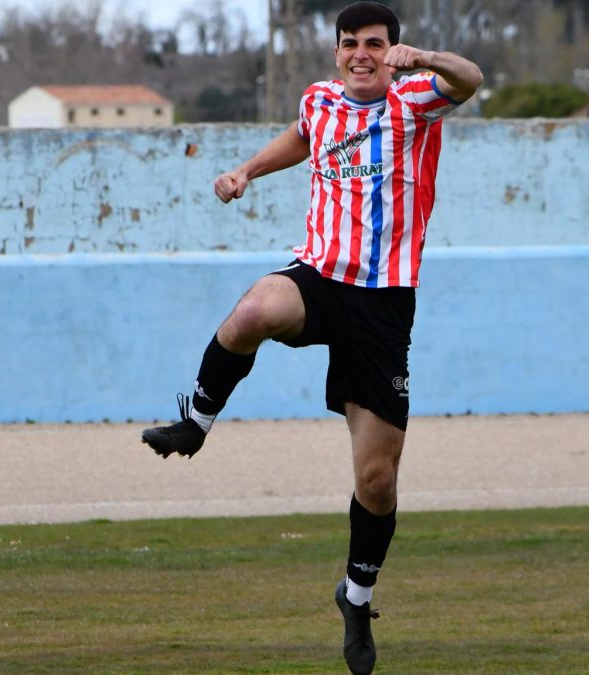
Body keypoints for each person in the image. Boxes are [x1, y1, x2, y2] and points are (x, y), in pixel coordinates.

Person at [140, 4, 482, 674]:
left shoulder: (415, 98)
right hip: (318, 277)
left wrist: (429, 58)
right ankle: (196, 422)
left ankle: (356, 597)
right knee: (252, 311)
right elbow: (303, 137)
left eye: (374, 44)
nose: (362, 54)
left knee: (377, 478)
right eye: (350, 44)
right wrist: (246, 171)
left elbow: (471, 79)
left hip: (382, 304)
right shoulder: (321, 100)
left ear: (392, 48)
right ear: (336, 51)